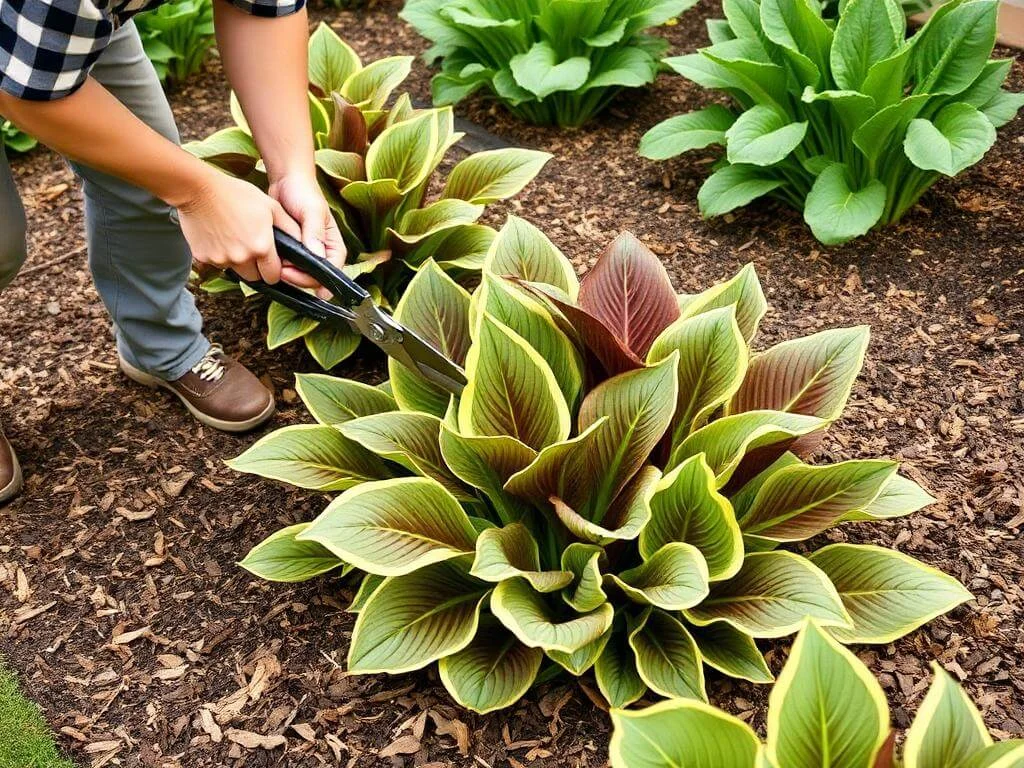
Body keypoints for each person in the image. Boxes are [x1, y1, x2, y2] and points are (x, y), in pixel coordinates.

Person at [0, 0, 347, 505]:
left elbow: (263, 10)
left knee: (144, 175)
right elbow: (28, 95)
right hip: (46, 25)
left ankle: (160, 346)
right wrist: (201, 194)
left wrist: (293, 173)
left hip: (59, 31)